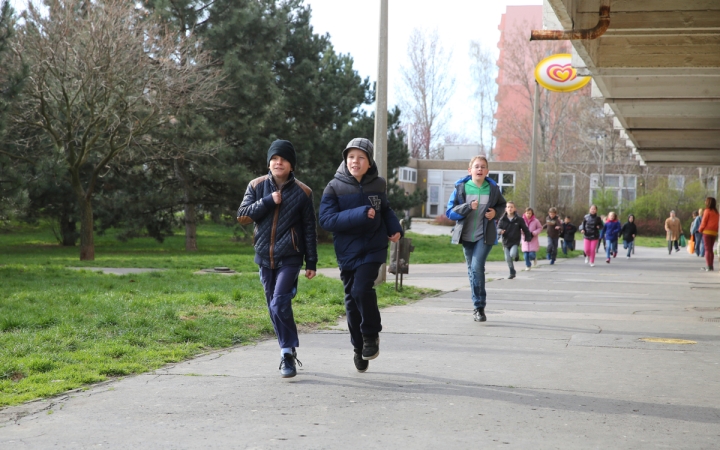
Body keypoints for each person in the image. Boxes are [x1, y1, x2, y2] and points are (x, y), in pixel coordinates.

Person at [319, 138, 402, 373]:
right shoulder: (334, 187)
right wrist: (361, 213)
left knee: (361, 289)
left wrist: (394, 227)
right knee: (350, 301)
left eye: (361, 157)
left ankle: (371, 334)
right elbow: (326, 220)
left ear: (369, 162)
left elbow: (385, 209)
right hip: (347, 251)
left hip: (373, 248)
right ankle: (359, 347)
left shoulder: (378, 184)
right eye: (351, 157)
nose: (355, 161)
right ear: (345, 160)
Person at [237, 139, 318, 378]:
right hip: (264, 257)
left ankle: (286, 354)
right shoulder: (256, 185)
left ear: (291, 165)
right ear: (269, 163)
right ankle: (288, 348)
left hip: (290, 257)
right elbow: (242, 216)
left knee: (278, 302)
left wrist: (311, 262)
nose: (277, 162)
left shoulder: (303, 192)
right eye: (274, 158)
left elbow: (309, 229)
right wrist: (268, 201)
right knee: (274, 305)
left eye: (282, 159)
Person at [446, 155, 506, 322]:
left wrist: (495, 213)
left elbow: (502, 206)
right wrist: (467, 206)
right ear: (470, 170)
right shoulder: (461, 188)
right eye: (476, 166)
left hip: (484, 235)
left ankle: (479, 306)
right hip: (465, 236)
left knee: (477, 267)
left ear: (487, 171)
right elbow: (450, 212)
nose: (479, 169)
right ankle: (476, 305)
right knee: (472, 270)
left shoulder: (492, 189)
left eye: (483, 167)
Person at [497, 201, 531, 280]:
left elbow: (525, 229)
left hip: (515, 241)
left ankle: (516, 254)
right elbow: (498, 228)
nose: (510, 208)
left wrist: (528, 237)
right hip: (506, 241)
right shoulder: (502, 219)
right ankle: (512, 272)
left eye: (511, 207)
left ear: (514, 208)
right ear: (506, 209)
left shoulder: (518, 219)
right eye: (508, 207)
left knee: (512, 254)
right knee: (507, 258)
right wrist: (500, 231)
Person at [698, 197, 719, 272]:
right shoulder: (716, 212)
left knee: (707, 249)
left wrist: (700, 229)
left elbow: (704, 222)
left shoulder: (707, 211)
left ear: (708, 202)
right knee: (711, 249)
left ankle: (708, 266)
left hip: (707, 232)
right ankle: (711, 265)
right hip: (714, 232)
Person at [521, 207, 543, 271]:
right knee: (525, 256)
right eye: (527, 213)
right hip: (525, 240)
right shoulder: (521, 220)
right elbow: (518, 228)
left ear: (532, 214)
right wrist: (521, 231)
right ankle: (528, 265)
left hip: (533, 240)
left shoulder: (536, 221)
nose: (528, 214)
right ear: (525, 213)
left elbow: (540, 228)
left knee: (531, 255)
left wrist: (535, 232)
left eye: (530, 213)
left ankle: (534, 258)